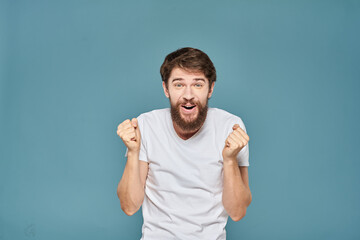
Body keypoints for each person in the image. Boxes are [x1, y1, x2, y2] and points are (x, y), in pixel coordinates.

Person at [116, 47, 252, 240]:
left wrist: (229, 160)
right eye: (179, 85)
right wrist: (132, 152)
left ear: (210, 89)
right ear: (166, 89)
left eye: (198, 85)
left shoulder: (230, 127)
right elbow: (129, 206)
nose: (188, 95)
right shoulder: (147, 125)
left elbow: (238, 211)